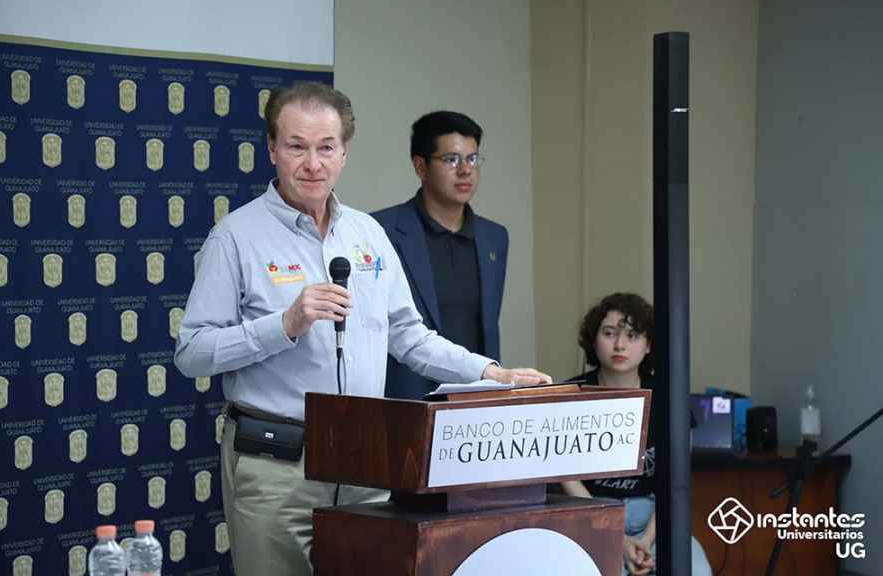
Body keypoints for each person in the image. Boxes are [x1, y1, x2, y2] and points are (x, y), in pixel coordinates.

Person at [173, 82, 549, 576]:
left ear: (345, 153)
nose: (313, 164)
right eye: (297, 147)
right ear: (272, 150)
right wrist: (285, 324)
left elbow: (409, 335)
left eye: (326, 147)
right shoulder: (235, 237)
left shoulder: (367, 233)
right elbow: (193, 353)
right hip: (277, 462)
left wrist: (489, 373)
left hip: (363, 460)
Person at [559, 292, 711, 576]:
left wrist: (645, 541)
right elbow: (564, 476)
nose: (620, 345)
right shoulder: (569, 396)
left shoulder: (670, 398)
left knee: (696, 570)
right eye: (609, 333)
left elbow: (676, 482)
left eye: (632, 336)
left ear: (648, 345)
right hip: (591, 517)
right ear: (593, 340)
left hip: (654, 520)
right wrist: (618, 538)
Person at [372, 111, 507, 399]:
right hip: (406, 399)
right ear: (421, 166)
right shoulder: (380, 231)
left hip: (477, 398)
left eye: (472, 159)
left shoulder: (494, 238)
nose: (465, 170)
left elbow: (487, 326)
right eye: (451, 159)